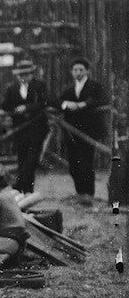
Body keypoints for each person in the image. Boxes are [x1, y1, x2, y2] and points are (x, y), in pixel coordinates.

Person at [53, 58, 110, 203]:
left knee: (86, 162)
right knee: (73, 165)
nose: (78, 72)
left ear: (87, 71)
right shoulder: (69, 90)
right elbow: (56, 102)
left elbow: (102, 100)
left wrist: (83, 104)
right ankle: (80, 193)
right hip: (71, 132)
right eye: (75, 70)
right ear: (71, 72)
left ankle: (88, 195)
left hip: (88, 131)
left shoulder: (94, 87)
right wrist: (66, 104)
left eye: (81, 70)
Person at [0, 60, 50, 194]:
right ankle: (26, 191)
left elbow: (44, 102)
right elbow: (5, 105)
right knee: (22, 159)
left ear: (32, 74)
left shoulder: (40, 85)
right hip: (20, 129)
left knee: (31, 160)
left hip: (37, 127)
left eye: (27, 74)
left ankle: (19, 184)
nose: (24, 77)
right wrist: (15, 109)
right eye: (21, 74)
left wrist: (27, 107)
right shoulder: (12, 87)